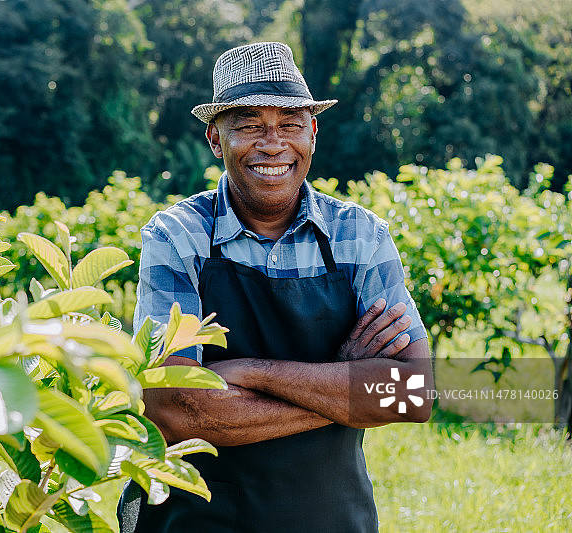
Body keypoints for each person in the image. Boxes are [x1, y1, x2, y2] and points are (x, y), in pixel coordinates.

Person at [119, 42, 433, 533]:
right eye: (248, 126)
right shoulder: (177, 237)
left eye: (289, 124)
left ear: (313, 132)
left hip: (332, 520)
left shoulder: (361, 236)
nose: (272, 143)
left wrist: (251, 372)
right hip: (198, 522)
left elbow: (413, 393)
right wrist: (344, 382)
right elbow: (174, 409)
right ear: (216, 140)